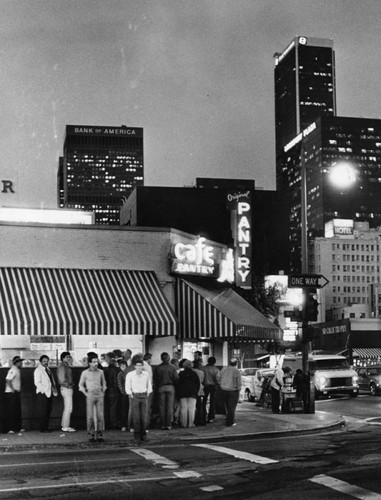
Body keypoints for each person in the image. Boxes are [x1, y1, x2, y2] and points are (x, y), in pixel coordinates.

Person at [79, 352, 107, 442]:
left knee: (100, 416)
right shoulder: (85, 373)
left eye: (96, 362)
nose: (96, 364)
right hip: (90, 394)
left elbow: (104, 383)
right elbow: (80, 385)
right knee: (90, 416)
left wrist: (103, 391)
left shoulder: (101, 372)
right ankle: (91, 434)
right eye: (94, 362)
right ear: (90, 363)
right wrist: (86, 394)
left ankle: (99, 434)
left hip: (99, 394)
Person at [125, 358, 152, 445]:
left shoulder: (146, 374)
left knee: (144, 416)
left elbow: (149, 384)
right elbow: (127, 385)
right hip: (135, 395)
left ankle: (143, 436)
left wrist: (148, 392)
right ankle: (137, 436)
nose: (139, 367)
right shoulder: (130, 375)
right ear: (135, 366)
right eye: (138, 366)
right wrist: (130, 394)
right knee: (136, 416)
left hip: (144, 395)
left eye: (141, 366)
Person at [153, 352, 179, 430]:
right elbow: (176, 378)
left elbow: (155, 379)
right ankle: (168, 424)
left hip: (161, 387)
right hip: (171, 387)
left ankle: (163, 424)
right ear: (168, 358)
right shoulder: (173, 367)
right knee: (170, 407)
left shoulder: (158, 368)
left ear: (161, 358)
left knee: (162, 406)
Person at [34, 355, 58, 432]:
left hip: (49, 392)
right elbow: (37, 382)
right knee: (43, 411)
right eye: (44, 361)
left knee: (48, 410)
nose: (46, 363)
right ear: (40, 362)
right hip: (43, 393)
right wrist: (43, 390)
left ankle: (46, 427)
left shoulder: (47, 369)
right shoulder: (38, 370)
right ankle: (43, 428)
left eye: (47, 361)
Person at [3, 356, 24, 434]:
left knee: (17, 410)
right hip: (11, 393)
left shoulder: (17, 370)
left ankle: (17, 427)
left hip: (16, 392)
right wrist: (12, 389)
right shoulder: (13, 370)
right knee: (11, 410)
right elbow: (8, 380)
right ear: (16, 363)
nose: (21, 363)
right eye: (20, 362)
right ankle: (10, 428)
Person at [56, 351, 76, 433]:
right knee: (68, 408)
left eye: (69, 357)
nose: (68, 358)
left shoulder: (65, 366)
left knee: (67, 408)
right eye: (67, 357)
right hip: (66, 388)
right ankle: (65, 426)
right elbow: (61, 379)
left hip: (66, 388)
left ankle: (64, 425)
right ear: (63, 358)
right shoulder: (62, 366)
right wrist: (68, 385)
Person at [177, 360, 200, 428]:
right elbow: (198, 384)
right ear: (191, 365)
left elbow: (178, 383)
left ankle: (183, 424)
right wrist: (196, 391)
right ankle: (190, 424)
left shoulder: (181, 374)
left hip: (182, 393)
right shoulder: (194, 374)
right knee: (191, 408)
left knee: (183, 408)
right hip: (192, 393)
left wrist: (179, 392)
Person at [220, 358, 242, 427]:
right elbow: (239, 382)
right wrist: (239, 389)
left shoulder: (223, 370)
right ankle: (230, 422)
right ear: (236, 363)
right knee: (232, 407)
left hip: (223, 390)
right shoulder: (236, 371)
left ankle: (228, 419)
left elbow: (219, 378)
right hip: (233, 391)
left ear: (229, 363)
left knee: (227, 406)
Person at [104, 352, 120, 429]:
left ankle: (112, 423)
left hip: (110, 389)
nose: (105, 359)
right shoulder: (115, 369)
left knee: (111, 407)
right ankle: (114, 423)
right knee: (114, 407)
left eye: (106, 357)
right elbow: (115, 381)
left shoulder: (108, 369)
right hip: (114, 390)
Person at [203, 356, 221, 423]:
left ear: (208, 361)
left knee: (204, 402)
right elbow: (217, 379)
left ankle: (203, 415)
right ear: (214, 362)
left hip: (205, 386)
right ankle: (211, 417)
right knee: (212, 401)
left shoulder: (203, 369)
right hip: (213, 386)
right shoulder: (216, 370)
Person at [117, 359, 130, 431]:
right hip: (124, 394)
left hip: (129, 393)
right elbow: (120, 384)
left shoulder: (128, 373)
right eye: (120, 365)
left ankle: (128, 425)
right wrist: (124, 392)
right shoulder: (120, 374)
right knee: (124, 410)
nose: (122, 366)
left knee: (128, 410)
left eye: (123, 365)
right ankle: (124, 425)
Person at [193, 359, 205, 425]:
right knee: (199, 405)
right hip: (199, 390)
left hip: (191, 390)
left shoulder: (191, 371)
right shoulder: (201, 372)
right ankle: (200, 419)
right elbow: (202, 381)